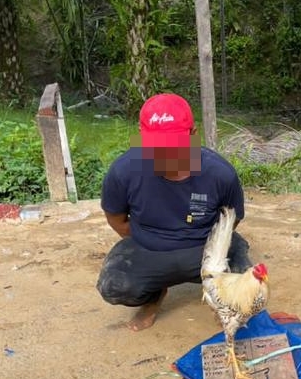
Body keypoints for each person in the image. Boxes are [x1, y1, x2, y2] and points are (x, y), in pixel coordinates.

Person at [97, 93, 251, 331]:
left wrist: (209, 248)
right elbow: (117, 220)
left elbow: (231, 219)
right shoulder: (123, 171)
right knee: (114, 286)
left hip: (205, 249)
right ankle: (153, 296)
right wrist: (154, 242)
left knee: (246, 285)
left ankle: (217, 297)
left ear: (192, 135)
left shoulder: (220, 173)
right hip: (149, 249)